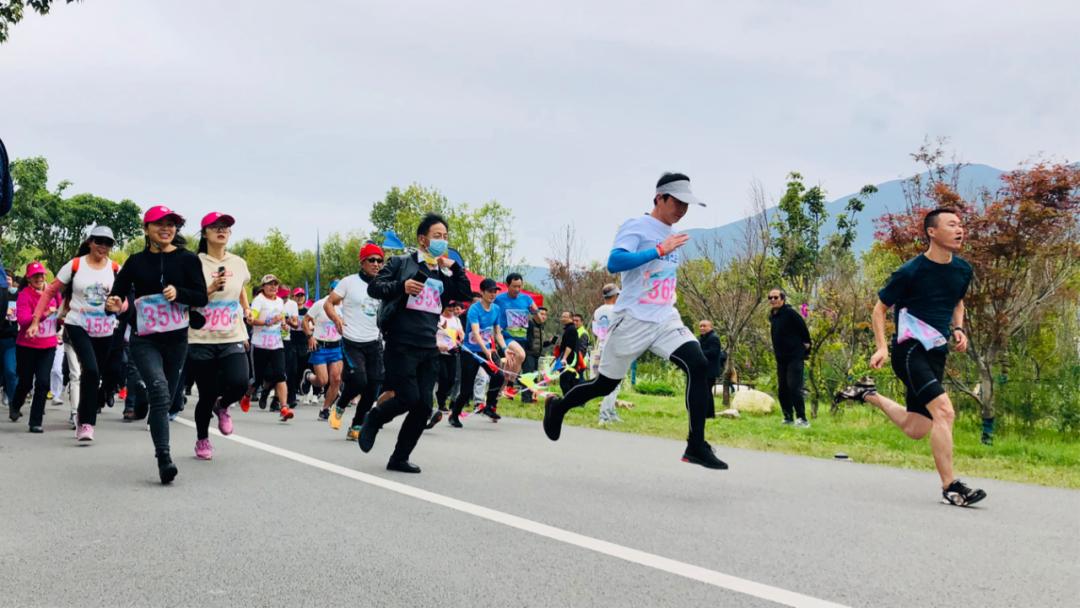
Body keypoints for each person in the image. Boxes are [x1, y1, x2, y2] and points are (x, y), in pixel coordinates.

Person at [542, 172, 727, 469]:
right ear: (659, 198)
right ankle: (559, 406)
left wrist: (665, 251)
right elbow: (615, 262)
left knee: (699, 363)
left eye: (687, 205)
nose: (682, 210)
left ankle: (696, 445)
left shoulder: (673, 234)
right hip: (633, 319)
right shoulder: (637, 226)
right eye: (677, 202)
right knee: (603, 385)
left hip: (666, 317)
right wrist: (658, 250)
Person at [835, 207, 986, 507]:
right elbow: (879, 309)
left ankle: (869, 395)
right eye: (952, 224)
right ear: (932, 231)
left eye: (961, 225)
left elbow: (958, 302)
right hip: (909, 350)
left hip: (936, 352)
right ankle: (951, 487)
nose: (960, 230)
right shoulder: (911, 271)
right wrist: (881, 347)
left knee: (917, 428)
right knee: (945, 412)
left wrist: (958, 328)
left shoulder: (962, 270)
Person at [358, 213, 472, 473]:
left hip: (428, 346)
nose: (442, 241)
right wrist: (402, 286)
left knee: (423, 408)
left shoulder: (443, 274)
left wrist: (454, 267)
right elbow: (375, 288)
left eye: (445, 237)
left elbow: (465, 294)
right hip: (400, 342)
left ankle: (399, 458)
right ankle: (375, 417)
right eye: (437, 236)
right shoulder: (401, 263)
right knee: (408, 397)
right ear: (423, 239)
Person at [106, 205, 208, 484]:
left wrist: (180, 293)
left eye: (171, 224)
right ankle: (164, 458)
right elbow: (116, 296)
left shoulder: (188, 260)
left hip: (176, 341)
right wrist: (112, 304)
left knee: (168, 399)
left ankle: (155, 414)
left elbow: (201, 297)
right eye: (159, 224)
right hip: (145, 339)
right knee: (160, 392)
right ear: (147, 229)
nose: (166, 228)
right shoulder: (136, 262)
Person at [29, 226, 119, 441]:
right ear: (90, 242)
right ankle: (86, 423)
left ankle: (85, 411)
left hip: (105, 328)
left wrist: (119, 306)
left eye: (107, 243)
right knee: (90, 369)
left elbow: (124, 300)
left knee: (99, 374)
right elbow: (50, 291)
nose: (102, 247)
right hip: (77, 324)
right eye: (98, 241)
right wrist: (35, 321)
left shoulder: (116, 268)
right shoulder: (75, 265)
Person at [185, 212, 252, 460]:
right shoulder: (192, 263)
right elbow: (186, 298)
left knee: (240, 382)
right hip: (201, 337)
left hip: (232, 333)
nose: (221, 230)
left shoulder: (238, 263)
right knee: (206, 392)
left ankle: (222, 406)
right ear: (205, 233)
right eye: (215, 227)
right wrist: (210, 289)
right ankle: (202, 439)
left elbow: (241, 287)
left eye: (225, 227)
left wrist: (245, 307)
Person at [325, 243, 385, 439]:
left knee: (373, 385)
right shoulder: (349, 282)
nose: (376, 264)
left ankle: (357, 425)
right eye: (372, 260)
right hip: (352, 340)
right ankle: (340, 404)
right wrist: (336, 318)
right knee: (359, 380)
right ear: (362, 262)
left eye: (379, 260)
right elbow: (329, 303)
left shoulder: (384, 284)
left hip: (374, 341)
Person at [10, 262, 62, 432]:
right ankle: (16, 405)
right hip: (27, 345)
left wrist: (61, 317)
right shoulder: (24, 295)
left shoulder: (54, 294)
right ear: (29, 278)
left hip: (48, 345)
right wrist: (43, 314)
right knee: (25, 382)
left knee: (43, 382)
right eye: (35, 276)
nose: (39, 278)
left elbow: (62, 313)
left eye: (41, 275)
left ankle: (35, 421)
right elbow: (23, 321)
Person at [449, 278, 507, 428]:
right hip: (471, 352)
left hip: (486, 350)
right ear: (482, 292)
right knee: (467, 389)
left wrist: (505, 350)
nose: (493, 294)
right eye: (490, 291)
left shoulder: (496, 309)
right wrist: (486, 351)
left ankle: (489, 406)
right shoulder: (474, 309)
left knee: (499, 376)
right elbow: (475, 333)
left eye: (495, 291)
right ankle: (454, 415)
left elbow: (497, 333)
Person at [248, 274, 293, 421]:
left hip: (276, 345)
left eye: (275, 284)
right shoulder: (258, 301)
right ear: (263, 287)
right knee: (257, 380)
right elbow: (251, 320)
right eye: (269, 284)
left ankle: (284, 407)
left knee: (281, 375)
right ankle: (247, 394)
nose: (273, 287)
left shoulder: (280, 301)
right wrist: (266, 322)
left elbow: (281, 318)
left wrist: (284, 324)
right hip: (260, 345)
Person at [767, 290, 811, 427]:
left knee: (794, 387)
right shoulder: (773, 316)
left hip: (794, 357)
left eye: (776, 297)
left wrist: (804, 349)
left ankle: (802, 418)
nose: (773, 299)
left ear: (783, 299)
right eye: (770, 297)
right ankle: (788, 417)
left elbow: (804, 331)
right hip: (781, 359)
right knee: (782, 389)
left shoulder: (790, 313)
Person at [304, 289, 344, 422]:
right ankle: (308, 376)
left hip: (336, 346)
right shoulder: (320, 304)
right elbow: (305, 321)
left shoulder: (344, 306)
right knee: (322, 381)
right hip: (320, 346)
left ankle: (325, 409)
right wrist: (310, 337)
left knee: (337, 379)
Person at [428, 301, 463, 429]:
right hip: (440, 352)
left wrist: (461, 338)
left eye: (453, 308)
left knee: (451, 379)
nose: (451, 310)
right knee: (443, 376)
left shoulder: (456, 320)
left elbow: (460, 333)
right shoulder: (439, 319)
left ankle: (441, 397)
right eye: (449, 307)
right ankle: (440, 402)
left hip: (452, 352)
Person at [593, 284, 621, 423]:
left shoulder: (598, 311)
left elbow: (596, 330)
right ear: (615, 295)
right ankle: (604, 414)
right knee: (614, 384)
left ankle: (611, 411)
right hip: (615, 347)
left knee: (613, 382)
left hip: (603, 345)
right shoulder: (617, 310)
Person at [287, 287, 309, 407]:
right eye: (297, 296)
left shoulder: (308, 311)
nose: (300, 298)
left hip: (304, 342)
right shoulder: (290, 310)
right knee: (293, 369)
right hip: (291, 341)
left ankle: (299, 386)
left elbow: (312, 325)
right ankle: (292, 395)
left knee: (302, 368)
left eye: (302, 295)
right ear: (293, 297)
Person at [521, 306, 548, 403]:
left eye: (545, 314)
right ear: (535, 314)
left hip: (537, 355)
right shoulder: (529, 324)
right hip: (529, 354)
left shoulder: (541, 326)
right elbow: (526, 340)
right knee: (528, 376)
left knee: (534, 377)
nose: (543, 316)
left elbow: (538, 342)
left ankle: (531, 396)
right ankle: (525, 398)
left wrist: (549, 342)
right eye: (541, 314)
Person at [0, 271, 18, 407]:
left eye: (8, 279)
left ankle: (14, 403)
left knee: (11, 371)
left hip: (10, 339)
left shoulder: (16, 294)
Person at [554, 311, 580, 394]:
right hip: (566, 358)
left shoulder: (571, 329)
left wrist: (564, 358)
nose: (563, 319)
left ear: (571, 318)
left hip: (569, 360)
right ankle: (572, 400)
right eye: (562, 317)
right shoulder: (568, 329)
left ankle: (568, 400)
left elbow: (569, 345)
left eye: (565, 317)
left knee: (565, 382)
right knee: (569, 381)